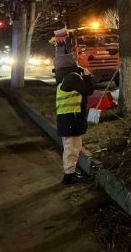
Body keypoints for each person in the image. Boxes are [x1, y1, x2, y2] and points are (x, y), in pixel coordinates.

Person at [54, 52, 95, 185]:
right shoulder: (72, 77)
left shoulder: (64, 77)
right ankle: (69, 176)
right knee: (71, 147)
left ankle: (71, 172)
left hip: (68, 118)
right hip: (70, 118)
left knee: (74, 147)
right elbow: (88, 90)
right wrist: (87, 76)